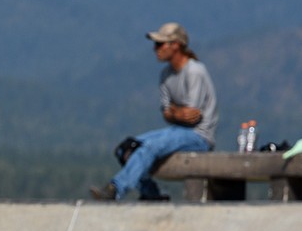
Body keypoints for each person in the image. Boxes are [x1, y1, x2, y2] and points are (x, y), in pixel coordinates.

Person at [90, 22, 218, 201]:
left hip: (198, 136)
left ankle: (115, 190)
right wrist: (177, 113)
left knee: (149, 148)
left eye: (159, 44)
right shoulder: (166, 75)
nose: (155, 49)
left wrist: (174, 111)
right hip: (177, 131)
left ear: (175, 45)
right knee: (127, 149)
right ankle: (151, 194)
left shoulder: (194, 71)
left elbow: (191, 117)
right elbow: (171, 114)